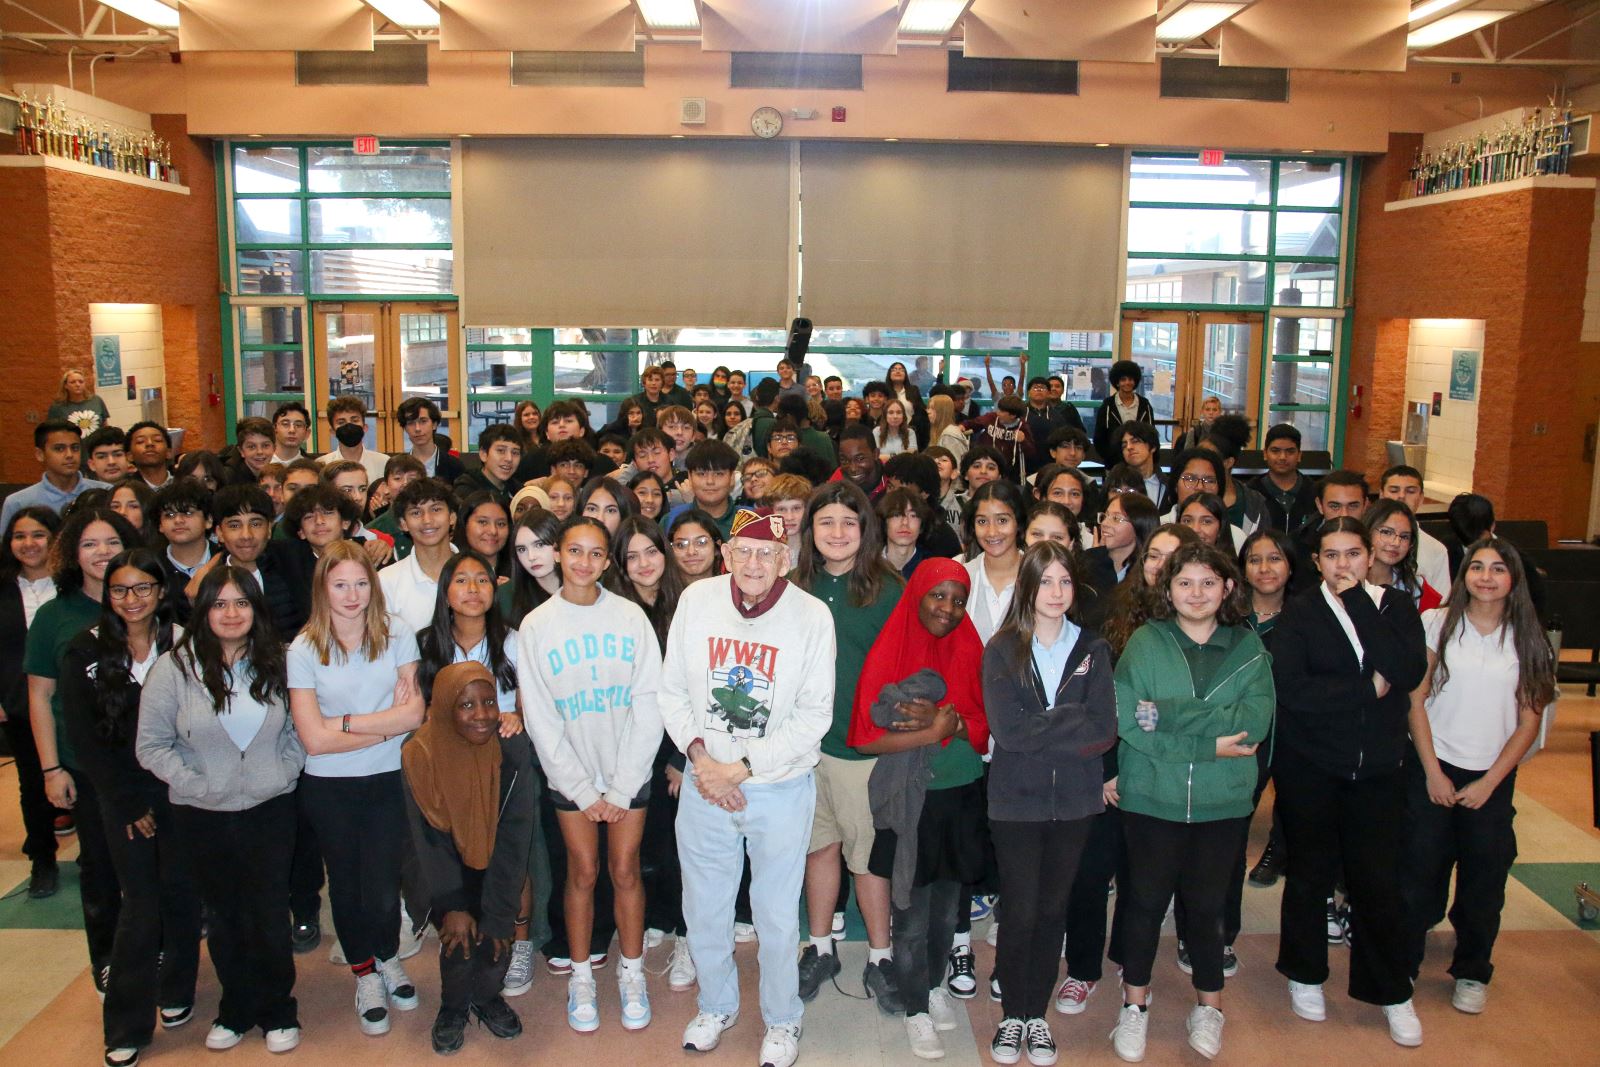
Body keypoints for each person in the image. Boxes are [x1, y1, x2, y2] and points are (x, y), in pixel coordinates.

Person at [658, 508, 835, 1067]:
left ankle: (783, 1019)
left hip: (778, 786)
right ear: (725, 555)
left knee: (776, 913)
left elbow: (814, 717)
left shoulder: (810, 617)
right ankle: (717, 1005)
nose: (754, 564)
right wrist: (705, 761)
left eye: (767, 554)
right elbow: (671, 694)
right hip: (704, 778)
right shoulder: (696, 601)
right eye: (744, 552)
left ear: (785, 561)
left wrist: (742, 767)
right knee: (705, 906)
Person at [1109, 541, 1274, 1063]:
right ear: (1167, 589)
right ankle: (1134, 1004)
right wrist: (1208, 739)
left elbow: (1253, 724)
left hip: (1220, 802)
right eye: (1184, 583)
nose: (1196, 593)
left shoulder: (1248, 650)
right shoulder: (1145, 643)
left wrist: (1172, 712)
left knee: (1206, 909)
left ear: (1228, 587)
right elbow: (1132, 720)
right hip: (1151, 797)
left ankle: (1210, 1006)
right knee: (1143, 902)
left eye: (1208, 582)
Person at [1270, 517, 1429, 1047]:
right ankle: (1305, 972)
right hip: (1312, 766)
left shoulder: (1395, 607)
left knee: (1377, 882)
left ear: (1371, 556)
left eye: (1354, 554)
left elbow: (1405, 671)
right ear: (1316, 561)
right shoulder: (1299, 613)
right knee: (1310, 874)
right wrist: (1367, 689)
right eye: (1332, 555)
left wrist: (1361, 602)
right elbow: (1295, 692)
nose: (1344, 565)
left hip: (1380, 770)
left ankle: (1391, 990)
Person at [136, 564, 305, 1053]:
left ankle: (277, 1011)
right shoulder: (174, 668)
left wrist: (284, 771)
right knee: (225, 915)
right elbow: (151, 746)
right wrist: (197, 784)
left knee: (270, 912)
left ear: (257, 608)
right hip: (200, 813)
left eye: (242, 603)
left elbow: (300, 731)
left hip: (270, 806)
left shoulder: (281, 660)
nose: (232, 614)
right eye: (219, 604)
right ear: (202, 610)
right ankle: (235, 1009)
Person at [519, 517, 664, 1033]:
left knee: (625, 871)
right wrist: (581, 789)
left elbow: (650, 703)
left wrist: (622, 786)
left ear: (608, 561)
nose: (584, 562)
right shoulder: (537, 626)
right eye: (574, 551)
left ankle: (631, 972)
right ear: (558, 554)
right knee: (581, 872)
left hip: (629, 771)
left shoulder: (629, 618)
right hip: (571, 778)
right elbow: (538, 716)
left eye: (595, 553)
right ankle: (581, 976)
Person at [60, 547, 200, 1067]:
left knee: (183, 896)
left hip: (182, 791)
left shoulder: (184, 646)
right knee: (139, 909)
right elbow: (85, 741)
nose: (132, 599)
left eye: (143, 588)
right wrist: (125, 803)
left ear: (161, 592)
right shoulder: (85, 653)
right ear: (107, 594)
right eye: (120, 589)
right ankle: (125, 1025)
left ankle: (178, 990)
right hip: (124, 800)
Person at [1403, 537, 1554, 1016]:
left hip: (1492, 774)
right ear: (1464, 574)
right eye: (1477, 567)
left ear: (1514, 579)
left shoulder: (1529, 638)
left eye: (1498, 569)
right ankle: (1404, 959)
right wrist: (1431, 772)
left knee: (1484, 879)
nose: (1486, 577)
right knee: (1420, 870)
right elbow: (1416, 700)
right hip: (1434, 767)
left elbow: (1529, 721)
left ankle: (1471, 969)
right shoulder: (1437, 623)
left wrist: (1490, 782)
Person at [846, 557, 988, 1061]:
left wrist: (954, 726)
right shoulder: (892, 645)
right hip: (910, 802)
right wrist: (931, 731)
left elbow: (984, 724)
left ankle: (932, 986)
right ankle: (914, 1009)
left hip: (962, 793)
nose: (948, 609)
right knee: (909, 910)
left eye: (958, 600)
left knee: (949, 908)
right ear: (917, 596)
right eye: (937, 596)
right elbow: (865, 738)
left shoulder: (971, 645)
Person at [984, 543, 1116, 1066]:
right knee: (1020, 911)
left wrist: (1047, 726)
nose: (1056, 593)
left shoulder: (1093, 649)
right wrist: (1068, 719)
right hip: (1016, 802)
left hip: (1077, 803)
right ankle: (1013, 1014)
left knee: (1053, 910)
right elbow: (1009, 732)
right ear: (1028, 588)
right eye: (1046, 582)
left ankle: (1036, 1015)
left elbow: (1104, 729)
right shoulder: (1002, 649)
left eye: (1064, 582)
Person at [287, 540, 425, 1037]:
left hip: (388, 779)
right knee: (346, 885)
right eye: (340, 584)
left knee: (386, 886)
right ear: (323, 588)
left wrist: (343, 723)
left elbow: (414, 714)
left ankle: (388, 957)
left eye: (361, 583)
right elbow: (313, 741)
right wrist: (382, 726)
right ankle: (363, 973)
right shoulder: (304, 648)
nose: (352, 595)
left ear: (375, 585)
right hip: (329, 787)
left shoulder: (397, 634)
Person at [791, 481, 906, 1011]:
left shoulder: (889, 589)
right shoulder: (793, 586)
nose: (837, 534)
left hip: (862, 752)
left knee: (869, 861)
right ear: (809, 530)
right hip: (802, 748)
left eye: (849, 523)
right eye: (826, 523)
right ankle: (820, 947)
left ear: (866, 530)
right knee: (818, 849)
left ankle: (881, 957)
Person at [27, 507, 139, 992]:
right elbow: (39, 695)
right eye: (90, 544)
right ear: (73, 553)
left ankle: (153, 951)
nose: (102, 553)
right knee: (99, 864)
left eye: (112, 542)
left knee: (150, 865)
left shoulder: (146, 602)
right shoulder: (55, 614)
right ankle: (108, 957)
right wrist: (51, 768)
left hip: (149, 764)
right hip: (85, 766)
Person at [403, 660, 536, 1054]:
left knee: (496, 942)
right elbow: (425, 841)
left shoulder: (511, 749)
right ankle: (454, 1006)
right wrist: (453, 905)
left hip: (496, 856)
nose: (482, 715)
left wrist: (498, 914)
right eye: (466, 705)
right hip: (442, 864)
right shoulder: (419, 752)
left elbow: (516, 834)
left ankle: (486, 996)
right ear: (445, 707)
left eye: (490, 702)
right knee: (458, 938)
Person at [611, 515, 697, 992]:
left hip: (675, 748)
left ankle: (688, 934)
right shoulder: (613, 612)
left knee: (678, 845)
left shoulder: (684, 605)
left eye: (651, 552)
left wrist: (682, 757)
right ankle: (659, 918)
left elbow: (695, 687)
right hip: (626, 748)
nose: (644, 564)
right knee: (645, 848)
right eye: (632, 556)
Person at [0, 507, 65, 897]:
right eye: (20, 536)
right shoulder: (4, 587)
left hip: (71, 699)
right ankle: (43, 860)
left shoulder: (72, 584)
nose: (29, 544)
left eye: (39, 534)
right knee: (32, 782)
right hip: (20, 701)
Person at [1240, 527, 1296, 888]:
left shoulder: (1304, 618)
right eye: (1255, 560)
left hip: (1292, 729)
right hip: (1242, 728)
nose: (1265, 568)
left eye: (1275, 558)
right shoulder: (1229, 618)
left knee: (1292, 802)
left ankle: (1277, 851)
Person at [2, 421, 111, 532]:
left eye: (75, 448)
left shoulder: (106, 492)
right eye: (59, 449)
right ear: (40, 454)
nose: (69, 455)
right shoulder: (18, 503)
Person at [961, 480, 1028, 645]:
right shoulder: (962, 577)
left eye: (1002, 520)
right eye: (982, 522)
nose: (992, 532)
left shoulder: (1038, 576)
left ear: (1018, 523)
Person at [1379, 465, 1452, 596]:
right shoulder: (1362, 539)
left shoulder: (1436, 550)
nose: (1401, 496)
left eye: (1410, 491)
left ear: (1421, 498)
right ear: (1381, 495)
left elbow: (1440, 602)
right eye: (1394, 490)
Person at [1364, 500, 1443, 611]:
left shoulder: (1419, 591)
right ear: (1368, 531)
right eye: (1387, 532)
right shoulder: (1345, 581)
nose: (1396, 543)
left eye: (1404, 537)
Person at [1252, 423, 1319, 535]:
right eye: (1275, 451)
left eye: (1290, 451)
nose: (1282, 457)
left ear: (1299, 455)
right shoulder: (1251, 492)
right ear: (1265, 454)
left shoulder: (1315, 492)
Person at [1092, 361, 1156, 464]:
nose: (1127, 383)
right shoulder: (1108, 405)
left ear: (1135, 381)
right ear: (1117, 382)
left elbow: (1152, 434)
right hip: (1114, 464)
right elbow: (1099, 437)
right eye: (1123, 379)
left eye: (1130, 379)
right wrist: (1110, 457)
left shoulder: (1145, 405)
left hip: (1140, 461)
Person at [316, 396, 388, 483]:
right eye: (341, 422)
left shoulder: (383, 463)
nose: (349, 426)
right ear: (332, 431)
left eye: (355, 420)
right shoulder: (322, 464)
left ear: (365, 427)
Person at [397, 397, 465, 484]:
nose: (417, 428)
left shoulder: (454, 466)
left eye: (423, 421)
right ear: (405, 428)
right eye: (411, 423)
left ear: (434, 425)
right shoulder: (398, 466)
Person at [454, 425, 524, 508]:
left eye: (515, 453)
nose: (509, 459)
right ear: (483, 454)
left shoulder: (519, 492)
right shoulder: (466, 492)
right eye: (501, 450)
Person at [880, 488, 930, 579]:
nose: (905, 522)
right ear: (884, 522)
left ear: (921, 524)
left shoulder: (931, 568)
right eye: (897, 515)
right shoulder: (867, 567)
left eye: (913, 516)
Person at [667, 509, 723, 583]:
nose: (691, 552)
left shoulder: (733, 590)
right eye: (681, 545)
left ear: (717, 548)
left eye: (701, 542)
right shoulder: (661, 592)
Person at [48, 367, 111, 432]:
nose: (77, 384)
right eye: (73, 382)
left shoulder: (96, 400)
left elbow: (105, 424)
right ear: (65, 385)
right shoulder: (58, 407)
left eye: (81, 382)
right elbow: (52, 431)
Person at [927, 395, 968, 462]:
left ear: (942, 411)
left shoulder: (949, 435)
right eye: (928, 408)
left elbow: (957, 464)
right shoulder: (938, 431)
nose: (928, 411)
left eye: (932, 408)